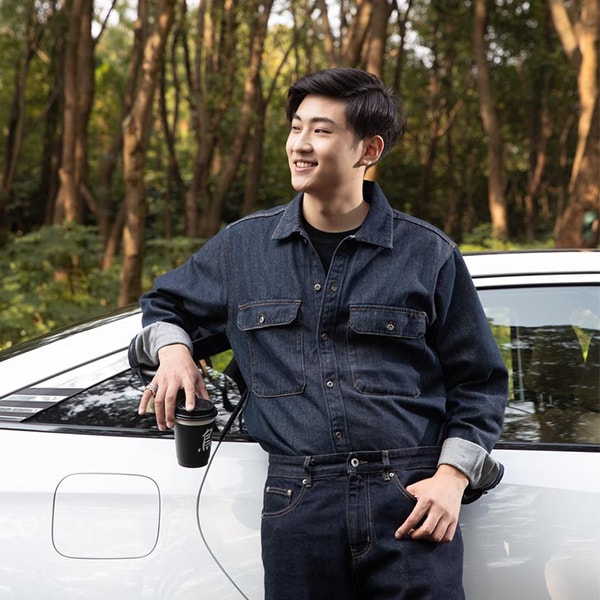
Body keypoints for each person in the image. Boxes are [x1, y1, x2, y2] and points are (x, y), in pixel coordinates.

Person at [131, 67, 508, 599]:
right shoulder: (243, 249)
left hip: (410, 498)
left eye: (321, 130)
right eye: (296, 128)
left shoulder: (429, 255)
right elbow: (164, 306)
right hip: (298, 501)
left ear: (368, 150)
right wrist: (174, 350)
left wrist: (452, 477)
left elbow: (480, 382)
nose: (300, 144)